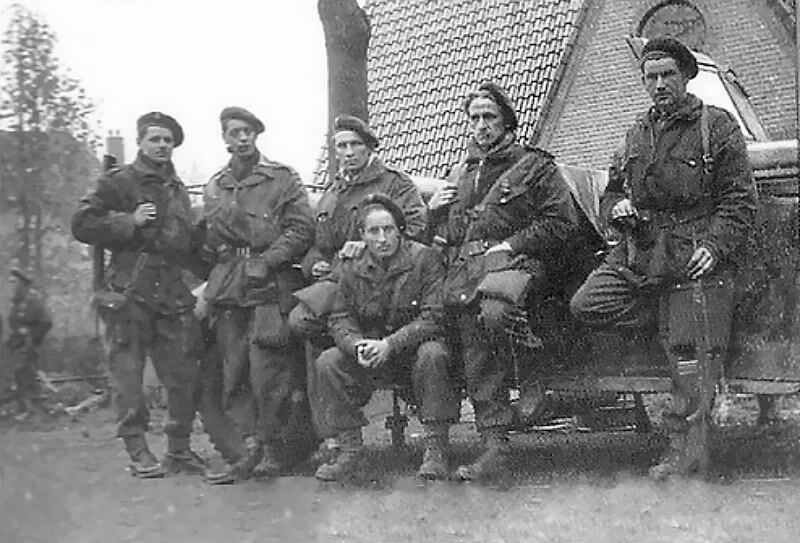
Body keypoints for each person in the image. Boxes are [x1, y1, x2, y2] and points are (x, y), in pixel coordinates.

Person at [569, 37, 756, 480]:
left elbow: (740, 202)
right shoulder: (637, 132)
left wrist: (714, 247)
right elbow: (612, 189)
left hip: (694, 255)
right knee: (586, 304)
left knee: (689, 358)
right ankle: (668, 321)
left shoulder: (717, 127)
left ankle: (684, 449)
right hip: (642, 253)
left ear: (687, 76)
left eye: (667, 74)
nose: (658, 84)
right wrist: (616, 208)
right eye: (650, 77)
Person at [427, 81, 581, 480]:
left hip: (524, 270)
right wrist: (433, 213)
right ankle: (493, 447)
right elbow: (449, 234)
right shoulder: (460, 173)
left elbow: (562, 222)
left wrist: (511, 244)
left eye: (489, 117)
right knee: (467, 348)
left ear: (507, 122)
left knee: (494, 313)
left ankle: (535, 381)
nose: (481, 126)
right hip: (469, 274)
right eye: (474, 118)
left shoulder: (535, 166)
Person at [72, 112, 207, 478]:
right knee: (128, 377)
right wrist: (127, 221)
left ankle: (179, 450)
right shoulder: (119, 182)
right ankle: (138, 451)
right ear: (141, 142)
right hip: (130, 292)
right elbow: (81, 222)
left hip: (173, 294)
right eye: (155, 139)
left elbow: (188, 244)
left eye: (167, 140)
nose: (162, 146)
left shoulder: (178, 188)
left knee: (182, 376)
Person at [199, 107, 315, 484]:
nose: (242, 137)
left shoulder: (282, 178)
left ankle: (276, 448)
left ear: (256, 135)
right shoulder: (216, 185)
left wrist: (268, 259)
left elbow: (300, 230)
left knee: (270, 370)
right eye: (234, 132)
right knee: (234, 370)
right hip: (230, 287)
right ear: (225, 138)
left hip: (271, 284)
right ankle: (249, 445)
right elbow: (210, 238)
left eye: (248, 131)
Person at [311, 194, 459, 482]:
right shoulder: (350, 265)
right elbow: (339, 316)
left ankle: (435, 447)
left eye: (388, 229)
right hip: (369, 352)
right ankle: (350, 449)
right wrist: (356, 345)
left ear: (400, 230)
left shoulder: (423, 258)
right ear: (362, 236)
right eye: (373, 231)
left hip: (410, 351)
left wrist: (391, 344)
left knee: (434, 354)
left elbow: (434, 316)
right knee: (328, 361)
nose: (382, 238)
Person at [289, 114, 427, 340]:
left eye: (356, 144)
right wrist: (314, 264)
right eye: (342, 146)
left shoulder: (395, 183)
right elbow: (319, 242)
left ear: (370, 148)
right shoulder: (332, 193)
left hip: (383, 278)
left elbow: (416, 228)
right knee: (301, 319)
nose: (349, 152)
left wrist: (367, 245)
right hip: (340, 279)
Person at [5, 267, 52, 420]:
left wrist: (32, 339)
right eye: (10, 282)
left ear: (23, 284)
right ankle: (23, 409)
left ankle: (37, 410)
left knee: (30, 377)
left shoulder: (33, 303)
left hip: (31, 348)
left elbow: (46, 323)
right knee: (18, 377)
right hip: (17, 348)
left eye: (15, 283)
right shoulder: (15, 306)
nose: (11, 286)